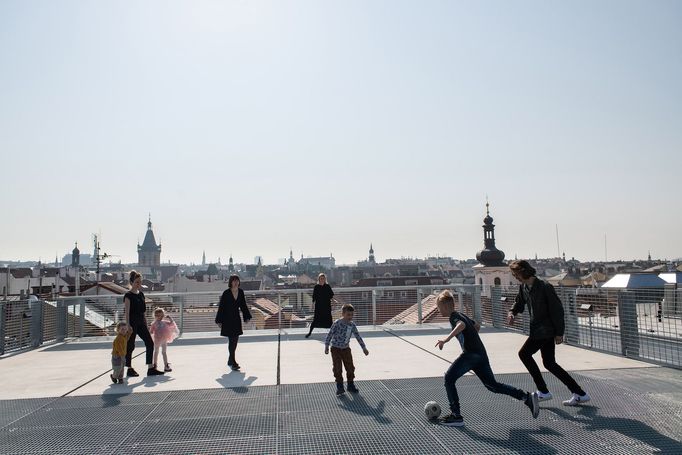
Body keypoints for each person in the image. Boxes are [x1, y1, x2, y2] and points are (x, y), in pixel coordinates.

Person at [435, 290, 539, 427]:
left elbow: (462, 325)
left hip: (470, 354)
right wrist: (471, 337)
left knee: (449, 379)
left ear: (446, 306)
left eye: (439, 307)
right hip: (480, 355)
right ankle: (526, 397)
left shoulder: (454, 317)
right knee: (493, 386)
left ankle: (456, 415)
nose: (438, 309)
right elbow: (476, 326)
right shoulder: (461, 314)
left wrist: (446, 339)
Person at [507, 259, 591, 406]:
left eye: (516, 274)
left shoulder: (545, 287)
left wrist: (559, 333)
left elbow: (557, 310)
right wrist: (512, 312)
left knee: (524, 354)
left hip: (545, 330)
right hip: (538, 330)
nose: (515, 277)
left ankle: (543, 391)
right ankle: (579, 393)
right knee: (550, 363)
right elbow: (519, 302)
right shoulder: (524, 287)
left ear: (524, 271)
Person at [124, 270, 164, 377]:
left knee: (150, 343)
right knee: (130, 345)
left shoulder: (141, 294)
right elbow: (127, 312)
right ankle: (129, 368)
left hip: (141, 321)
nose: (139, 284)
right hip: (132, 323)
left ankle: (150, 368)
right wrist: (128, 325)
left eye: (140, 282)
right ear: (131, 282)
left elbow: (144, 311)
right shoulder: (128, 295)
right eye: (137, 282)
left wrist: (146, 323)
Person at [324, 304, 369, 395]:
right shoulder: (337, 323)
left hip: (346, 349)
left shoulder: (352, 325)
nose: (350, 317)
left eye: (352, 315)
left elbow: (358, 336)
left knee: (350, 367)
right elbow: (330, 334)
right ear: (343, 314)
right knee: (337, 368)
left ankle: (350, 385)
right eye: (348, 315)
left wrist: (364, 348)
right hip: (336, 349)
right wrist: (326, 346)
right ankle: (340, 387)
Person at [216, 275, 252, 370]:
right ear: (231, 282)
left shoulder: (240, 292)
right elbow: (221, 307)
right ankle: (233, 362)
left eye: (237, 280)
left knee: (235, 341)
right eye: (234, 281)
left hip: (236, 319)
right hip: (227, 319)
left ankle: (230, 360)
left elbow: (243, 305)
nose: (236, 282)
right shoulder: (226, 293)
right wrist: (219, 320)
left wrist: (246, 317)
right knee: (231, 341)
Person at [149, 307, 179, 372]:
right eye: (158, 315)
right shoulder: (154, 323)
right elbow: (151, 332)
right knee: (156, 352)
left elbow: (171, 324)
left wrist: (170, 318)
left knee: (164, 352)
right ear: (155, 316)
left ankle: (166, 365)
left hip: (164, 339)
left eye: (162, 315)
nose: (160, 317)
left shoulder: (164, 322)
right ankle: (155, 365)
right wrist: (151, 338)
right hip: (157, 339)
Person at [306, 273, 334, 338]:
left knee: (329, 319)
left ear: (325, 279)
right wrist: (312, 305)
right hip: (318, 306)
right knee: (315, 319)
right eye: (321, 278)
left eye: (323, 278)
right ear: (319, 279)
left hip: (327, 305)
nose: (322, 279)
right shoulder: (316, 287)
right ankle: (310, 333)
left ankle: (333, 333)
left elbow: (331, 295)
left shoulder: (327, 286)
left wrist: (333, 301)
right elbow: (314, 297)